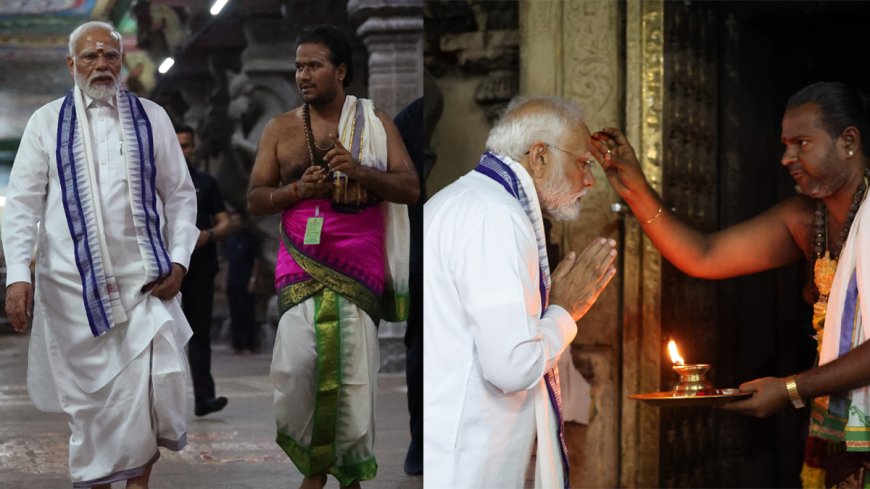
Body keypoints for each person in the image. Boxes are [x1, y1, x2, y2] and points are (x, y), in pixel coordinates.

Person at [592, 81, 870, 488]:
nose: (786, 158)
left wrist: (792, 389)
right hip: (836, 429)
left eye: (802, 143)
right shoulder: (805, 219)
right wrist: (636, 189)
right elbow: (703, 255)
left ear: (848, 142)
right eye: (785, 144)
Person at [2, 21, 198, 488]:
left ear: (122, 63)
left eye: (110, 55)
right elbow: (23, 205)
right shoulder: (45, 123)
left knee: (149, 396)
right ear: (72, 64)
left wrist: (180, 259)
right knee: (90, 408)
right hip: (72, 293)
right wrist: (16, 275)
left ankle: (136, 484)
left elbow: (180, 195)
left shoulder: (153, 117)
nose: (101, 65)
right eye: (90, 56)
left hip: (147, 285)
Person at [247, 25, 418, 489]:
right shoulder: (280, 129)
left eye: (314, 65)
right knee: (298, 364)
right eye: (299, 66)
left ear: (340, 71)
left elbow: (410, 187)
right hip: (300, 258)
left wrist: (359, 169)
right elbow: (257, 198)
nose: (303, 74)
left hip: (358, 262)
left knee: (352, 371)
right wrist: (297, 189)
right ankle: (315, 463)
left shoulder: (376, 122)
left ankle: (339, 474)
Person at [424, 96, 619, 489]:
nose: (588, 180)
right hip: (471, 465)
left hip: (454, 450)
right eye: (583, 163)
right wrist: (565, 311)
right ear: (540, 156)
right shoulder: (498, 217)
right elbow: (511, 367)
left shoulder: (453, 199)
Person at [175, 124, 231, 417]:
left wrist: (207, 235)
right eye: (177, 145)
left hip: (201, 267)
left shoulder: (206, 183)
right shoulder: (155, 181)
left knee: (199, 334)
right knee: (162, 335)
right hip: (166, 268)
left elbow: (225, 221)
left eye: (186, 145)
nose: (182, 151)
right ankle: (160, 404)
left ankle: (204, 397)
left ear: (193, 148)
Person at [393, 96, 423, 476]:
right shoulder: (411, 117)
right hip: (418, 252)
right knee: (421, 348)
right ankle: (420, 441)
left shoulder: (418, 112)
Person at [224, 210, 262, 354]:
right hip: (232, 280)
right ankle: (237, 345)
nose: (235, 223)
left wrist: (253, 279)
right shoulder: (230, 239)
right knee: (235, 314)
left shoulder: (251, 239)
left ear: (243, 222)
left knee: (248, 313)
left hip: (246, 280)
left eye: (237, 220)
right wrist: (225, 279)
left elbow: (256, 260)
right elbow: (228, 261)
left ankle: (249, 345)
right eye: (232, 220)